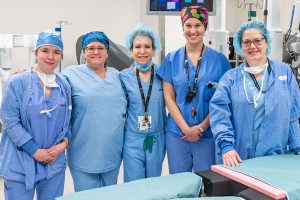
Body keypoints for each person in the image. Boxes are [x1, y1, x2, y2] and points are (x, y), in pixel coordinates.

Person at [210, 21, 300, 167]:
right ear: (240, 46)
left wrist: (297, 145)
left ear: (266, 42)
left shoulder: (284, 72)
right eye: (247, 42)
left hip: (275, 155)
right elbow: (220, 114)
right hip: (238, 157)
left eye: (257, 41)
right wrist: (226, 146)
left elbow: (293, 114)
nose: (252, 46)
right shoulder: (230, 78)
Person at [157, 6, 231, 174]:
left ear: (205, 27)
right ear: (182, 28)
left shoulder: (220, 61)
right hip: (177, 134)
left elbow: (223, 100)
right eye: (188, 25)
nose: (193, 30)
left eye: (197, 25)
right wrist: (185, 129)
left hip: (207, 134)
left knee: (207, 182)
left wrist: (201, 128)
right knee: (179, 183)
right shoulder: (171, 59)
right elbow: (168, 97)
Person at [0, 31, 72, 200]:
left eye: (56, 52)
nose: (50, 56)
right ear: (35, 53)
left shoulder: (64, 85)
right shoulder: (18, 82)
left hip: (54, 162)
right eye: (45, 51)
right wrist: (34, 150)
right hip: (21, 161)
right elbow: (10, 121)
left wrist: (64, 144)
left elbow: (69, 120)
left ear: (61, 56)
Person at [60, 31, 127, 191]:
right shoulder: (70, 74)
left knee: (109, 195)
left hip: (112, 151)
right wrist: (29, 73)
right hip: (84, 152)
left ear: (107, 52)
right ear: (83, 52)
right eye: (90, 48)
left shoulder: (119, 76)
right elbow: (48, 85)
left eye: (100, 48)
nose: (96, 52)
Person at [120, 23, 166, 182]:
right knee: (134, 185)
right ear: (131, 50)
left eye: (147, 46)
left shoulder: (163, 74)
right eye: (137, 46)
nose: (142, 51)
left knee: (154, 183)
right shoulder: (123, 77)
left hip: (157, 137)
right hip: (133, 138)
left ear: (154, 50)